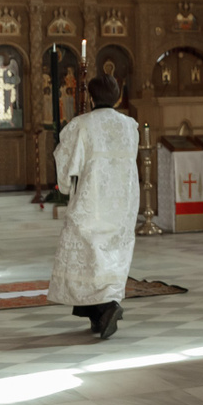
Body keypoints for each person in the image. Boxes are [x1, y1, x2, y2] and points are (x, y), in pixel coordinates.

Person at [51, 76, 140, 339]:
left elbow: (66, 161)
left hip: (92, 201)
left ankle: (107, 307)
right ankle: (99, 315)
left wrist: (65, 185)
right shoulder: (130, 125)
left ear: (90, 97)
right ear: (118, 97)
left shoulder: (81, 125)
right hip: (123, 201)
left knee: (86, 256)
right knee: (113, 253)